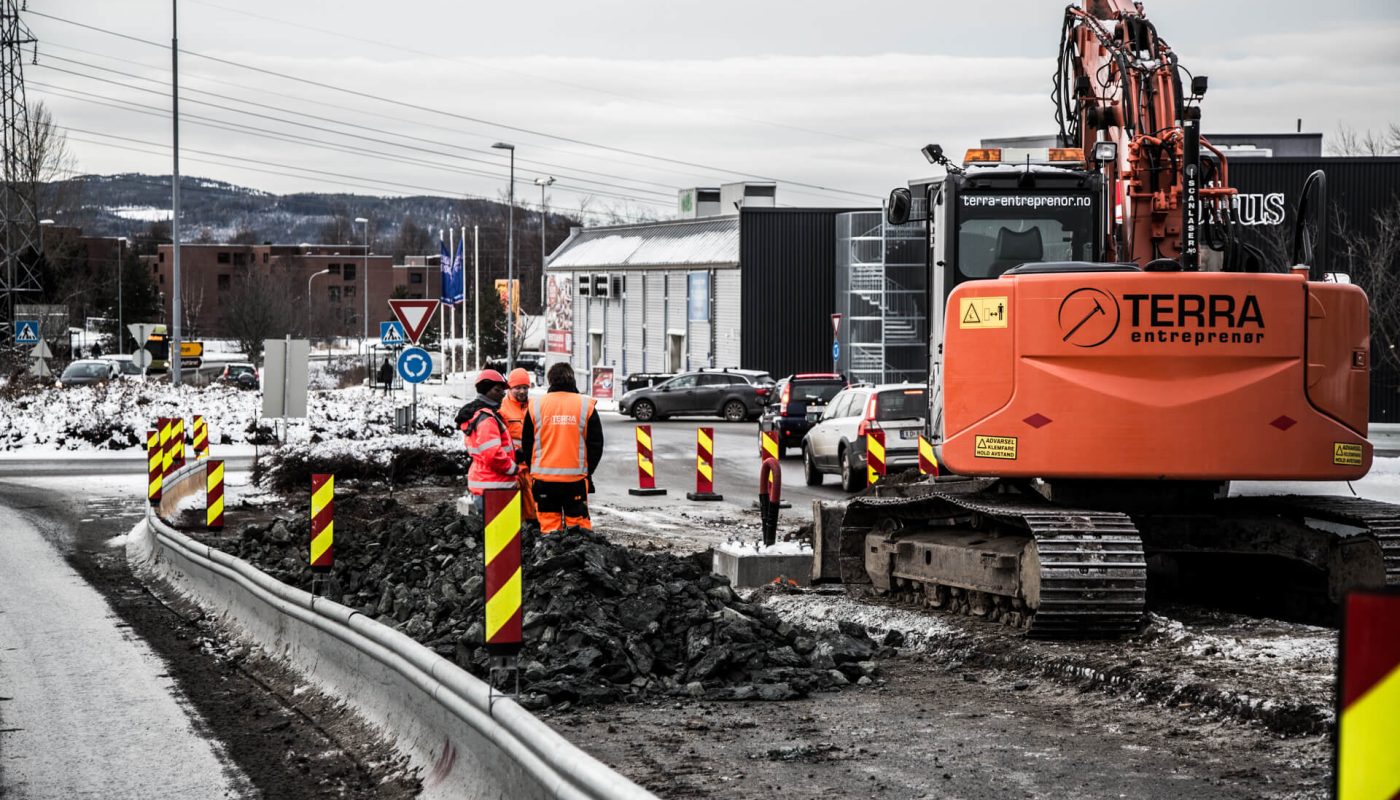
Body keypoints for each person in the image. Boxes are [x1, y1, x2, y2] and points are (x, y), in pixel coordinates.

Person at [520, 362, 603, 534]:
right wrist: (587, 471)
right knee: (578, 528)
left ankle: (551, 556)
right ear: (572, 379)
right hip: (575, 480)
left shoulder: (536, 406)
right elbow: (596, 444)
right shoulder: (585, 405)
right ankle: (579, 558)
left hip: (543, 480)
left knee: (550, 528)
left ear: (550, 380)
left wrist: (533, 467)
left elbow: (527, 443)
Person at [454, 369, 519, 516]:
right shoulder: (487, 418)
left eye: (503, 390)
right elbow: (492, 454)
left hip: (486, 484)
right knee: (501, 535)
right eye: (498, 389)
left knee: (489, 536)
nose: (502, 394)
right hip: (496, 486)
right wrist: (513, 468)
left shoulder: (479, 414)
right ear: (485, 390)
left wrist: (515, 453)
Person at [500, 368, 538, 524]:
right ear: (510, 388)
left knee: (533, 503)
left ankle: (533, 528)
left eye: (525, 387)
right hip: (513, 464)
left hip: (532, 464)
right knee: (513, 505)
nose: (522, 391)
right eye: (518, 388)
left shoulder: (535, 406)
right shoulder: (502, 409)